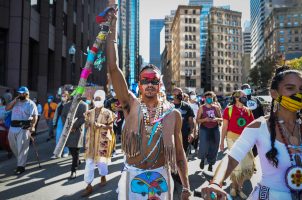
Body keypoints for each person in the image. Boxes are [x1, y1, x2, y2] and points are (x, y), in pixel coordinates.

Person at [106, 10, 191, 200]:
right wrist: (112, 29)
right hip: (132, 174)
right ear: (139, 84)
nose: (150, 84)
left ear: (160, 84)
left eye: (154, 80)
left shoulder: (172, 113)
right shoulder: (129, 104)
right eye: (146, 80)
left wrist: (186, 186)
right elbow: (113, 67)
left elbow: (179, 153)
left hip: (161, 176)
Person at [202, 66, 302, 200]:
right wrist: (216, 183)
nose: (298, 94)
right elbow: (231, 159)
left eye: (301, 89)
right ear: (274, 94)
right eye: (290, 88)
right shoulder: (259, 127)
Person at [82, 90, 116, 197]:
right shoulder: (89, 112)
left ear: (103, 100)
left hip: (102, 141)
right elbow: (86, 125)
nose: (97, 101)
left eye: (99, 99)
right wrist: (86, 122)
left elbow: (111, 127)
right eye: (96, 99)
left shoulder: (108, 113)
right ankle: (88, 185)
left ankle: (103, 175)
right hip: (91, 141)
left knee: (102, 163)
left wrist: (101, 126)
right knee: (89, 163)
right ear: (93, 100)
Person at [5, 86, 38, 174]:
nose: (20, 94)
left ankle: (21, 166)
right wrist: (13, 101)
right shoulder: (16, 102)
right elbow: (6, 108)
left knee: (22, 147)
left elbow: (35, 116)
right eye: (19, 93)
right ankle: (21, 160)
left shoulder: (31, 103)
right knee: (13, 146)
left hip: (23, 128)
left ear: (26, 94)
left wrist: (33, 126)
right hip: (13, 127)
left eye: (22, 93)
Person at [61, 95, 88, 179]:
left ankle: (73, 171)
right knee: (71, 150)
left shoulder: (84, 105)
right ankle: (77, 161)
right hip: (68, 130)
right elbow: (63, 116)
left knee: (76, 150)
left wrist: (74, 126)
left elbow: (83, 117)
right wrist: (68, 126)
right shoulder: (66, 105)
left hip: (78, 130)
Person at [196, 91, 222, 172]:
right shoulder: (201, 108)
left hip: (214, 128)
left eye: (210, 97)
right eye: (207, 97)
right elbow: (197, 120)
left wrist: (216, 119)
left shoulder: (216, 107)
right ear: (205, 98)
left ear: (213, 98)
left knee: (214, 146)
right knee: (204, 146)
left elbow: (221, 118)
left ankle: (211, 164)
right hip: (204, 128)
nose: (209, 99)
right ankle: (202, 160)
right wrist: (205, 119)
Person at [241, 83, 265, 171]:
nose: (246, 90)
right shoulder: (239, 101)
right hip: (244, 128)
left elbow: (261, 112)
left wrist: (263, 123)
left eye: (248, 88)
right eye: (244, 88)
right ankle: (247, 164)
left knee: (256, 148)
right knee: (245, 147)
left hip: (257, 127)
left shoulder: (256, 100)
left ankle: (251, 161)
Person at [172, 87, 195, 154]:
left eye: (181, 93)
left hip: (184, 136)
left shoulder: (187, 106)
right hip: (172, 136)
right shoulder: (168, 106)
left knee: (183, 156)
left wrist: (192, 133)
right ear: (174, 95)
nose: (182, 95)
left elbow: (191, 121)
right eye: (179, 93)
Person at [51, 91, 70, 159]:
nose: (63, 97)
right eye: (62, 96)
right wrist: (54, 123)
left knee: (65, 136)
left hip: (67, 121)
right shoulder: (59, 104)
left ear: (67, 97)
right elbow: (56, 114)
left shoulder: (70, 104)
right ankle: (57, 152)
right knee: (58, 137)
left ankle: (66, 151)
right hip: (59, 121)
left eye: (65, 96)